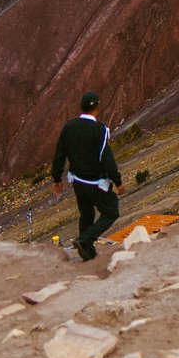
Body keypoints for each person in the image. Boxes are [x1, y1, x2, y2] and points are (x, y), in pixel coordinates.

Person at [52, 92, 124, 261]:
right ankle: (85, 240)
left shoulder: (69, 127)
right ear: (97, 108)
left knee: (86, 214)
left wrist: (56, 179)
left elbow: (59, 154)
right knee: (111, 211)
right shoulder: (100, 130)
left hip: (77, 181)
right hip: (95, 182)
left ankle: (88, 252)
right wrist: (117, 181)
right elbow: (106, 159)